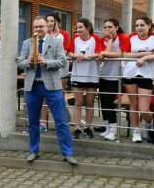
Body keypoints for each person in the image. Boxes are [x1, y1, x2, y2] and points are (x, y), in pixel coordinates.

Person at [19, 17, 77, 165]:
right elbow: (20, 63)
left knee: (61, 121)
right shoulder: (27, 42)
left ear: (47, 27)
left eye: (41, 27)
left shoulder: (56, 41)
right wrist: (30, 61)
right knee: (33, 122)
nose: (38, 30)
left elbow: (63, 61)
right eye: (36, 27)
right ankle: (33, 151)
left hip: (52, 87)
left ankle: (67, 153)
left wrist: (46, 62)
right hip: (32, 87)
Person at [120, 16, 154, 143]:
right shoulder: (131, 37)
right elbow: (125, 54)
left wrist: (145, 59)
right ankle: (136, 130)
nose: (139, 28)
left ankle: (149, 123)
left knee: (143, 108)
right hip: (130, 72)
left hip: (146, 75)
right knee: (133, 104)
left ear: (149, 26)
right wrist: (144, 54)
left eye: (142, 25)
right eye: (136, 25)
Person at [67, 18, 103, 139]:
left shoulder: (95, 38)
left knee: (89, 102)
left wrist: (85, 56)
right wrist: (76, 55)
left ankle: (88, 127)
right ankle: (77, 128)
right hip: (78, 74)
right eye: (77, 27)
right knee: (78, 103)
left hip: (92, 75)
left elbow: (99, 53)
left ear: (88, 27)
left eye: (81, 27)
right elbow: (70, 53)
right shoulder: (75, 39)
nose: (78, 30)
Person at [97, 19, 128, 141]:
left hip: (116, 76)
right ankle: (107, 127)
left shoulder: (123, 37)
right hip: (103, 74)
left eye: (109, 27)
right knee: (103, 101)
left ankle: (114, 130)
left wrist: (107, 46)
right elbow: (104, 56)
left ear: (116, 27)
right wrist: (105, 49)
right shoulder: (102, 40)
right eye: (105, 27)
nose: (106, 30)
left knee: (109, 102)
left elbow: (118, 54)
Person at [41, 14, 71, 132]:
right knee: (44, 96)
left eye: (52, 21)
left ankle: (62, 122)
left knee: (59, 96)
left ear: (57, 22)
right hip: (47, 68)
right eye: (47, 21)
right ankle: (43, 122)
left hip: (60, 69)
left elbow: (66, 51)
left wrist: (52, 57)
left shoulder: (64, 34)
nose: (49, 23)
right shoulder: (44, 35)